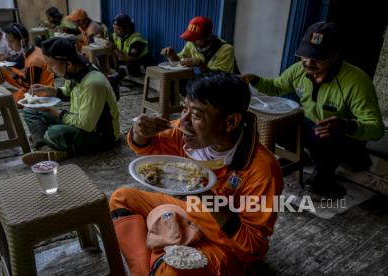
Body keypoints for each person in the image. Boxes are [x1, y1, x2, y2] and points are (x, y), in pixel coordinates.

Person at [110, 73, 283, 275]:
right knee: (121, 198)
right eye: (185, 108)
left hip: (226, 245)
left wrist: (205, 195)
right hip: (190, 211)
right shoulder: (184, 133)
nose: (183, 121)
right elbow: (147, 147)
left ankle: (157, 265)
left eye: (197, 115)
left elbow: (253, 244)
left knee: (172, 272)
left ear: (230, 122)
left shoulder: (262, 169)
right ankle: (145, 270)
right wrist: (140, 134)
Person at [241, 22, 384, 199]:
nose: (308, 62)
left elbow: (376, 129)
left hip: (343, 135)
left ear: (335, 55)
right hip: (310, 124)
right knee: (280, 126)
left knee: (322, 135)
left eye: (318, 57)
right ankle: (300, 155)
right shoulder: (298, 70)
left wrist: (346, 126)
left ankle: (324, 176)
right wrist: (253, 79)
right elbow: (276, 86)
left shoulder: (357, 81)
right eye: (305, 55)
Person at [21, 37, 120, 166]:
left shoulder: (93, 83)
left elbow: (85, 125)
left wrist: (52, 111)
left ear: (68, 64)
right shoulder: (74, 71)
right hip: (78, 121)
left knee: (53, 133)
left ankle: (51, 144)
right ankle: (45, 148)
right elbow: (67, 92)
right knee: (30, 111)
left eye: (51, 65)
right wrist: (48, 89)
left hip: (100, 136)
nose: (49, 70)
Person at [0, 23, 54, 102]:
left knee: (4, 102)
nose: (9, 45)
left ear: (23, 41)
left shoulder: (34, 61)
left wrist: (14, 75)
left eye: (11, 42)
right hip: (31, 82)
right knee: (1, 68)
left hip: (40, 93)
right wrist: (6, 59)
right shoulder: (34, 49)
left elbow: (31, 86)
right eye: (8, 42)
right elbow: (20, 61)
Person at [161, 16, 238, 74]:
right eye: (191, 38)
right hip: (199, 84)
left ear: (208, 37)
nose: (192, 41)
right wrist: (172, 56)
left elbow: (220, 78)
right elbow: (180, 61)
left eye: (196, 38)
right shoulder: (191, 43)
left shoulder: (226, 50)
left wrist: (199, 64)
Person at [106, 13, 151, 83]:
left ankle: (112, 80)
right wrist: (105, 41)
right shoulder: (117, 35)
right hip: (128, 63)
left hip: (143, 65)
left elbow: (128, 59)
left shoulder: (137, 40)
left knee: (127, 66)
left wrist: (114, 48)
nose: (115, 31)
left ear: (127, 29)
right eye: (114, 28)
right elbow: (110, 39)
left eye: (118, 29)